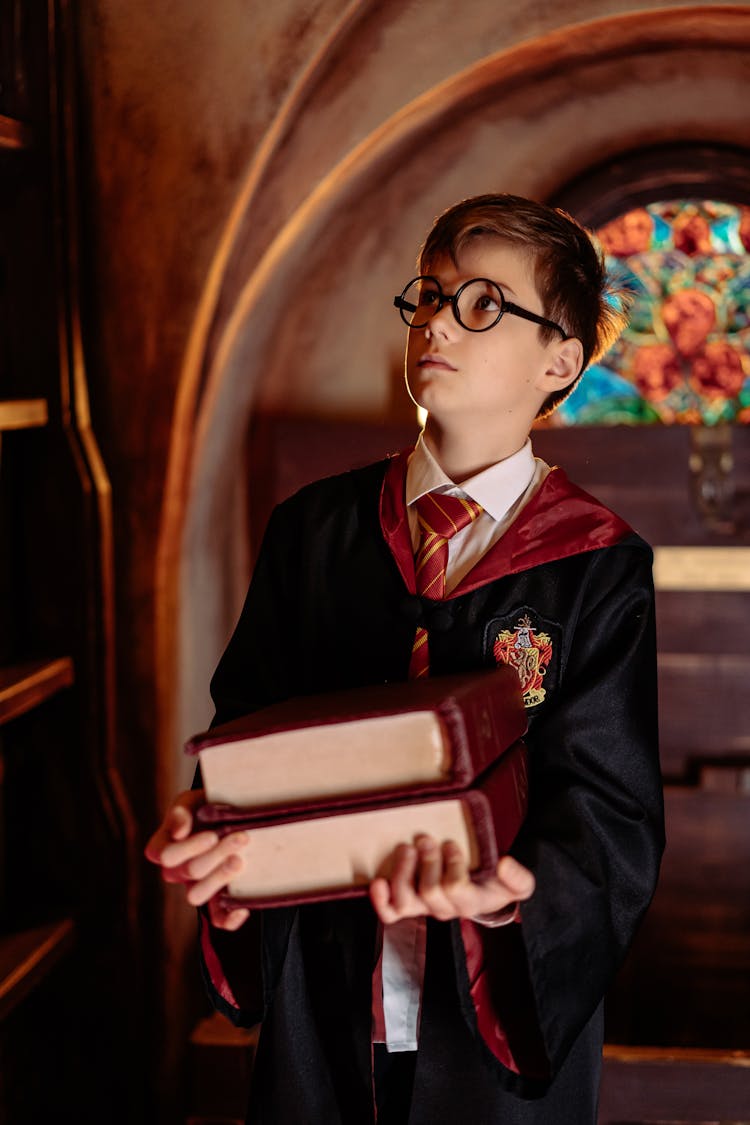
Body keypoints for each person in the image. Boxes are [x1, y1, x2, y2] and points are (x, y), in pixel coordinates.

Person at [146, 193, 664, 1124]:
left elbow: (610, 810)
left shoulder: (595, 564)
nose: (436, 319)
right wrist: (226, 849)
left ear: (562, 360)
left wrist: (511, 904)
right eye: (429, 294)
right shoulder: (314, 531)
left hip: (485, 1026)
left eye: (482, 303)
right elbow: (246, 741)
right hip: (329, 996)